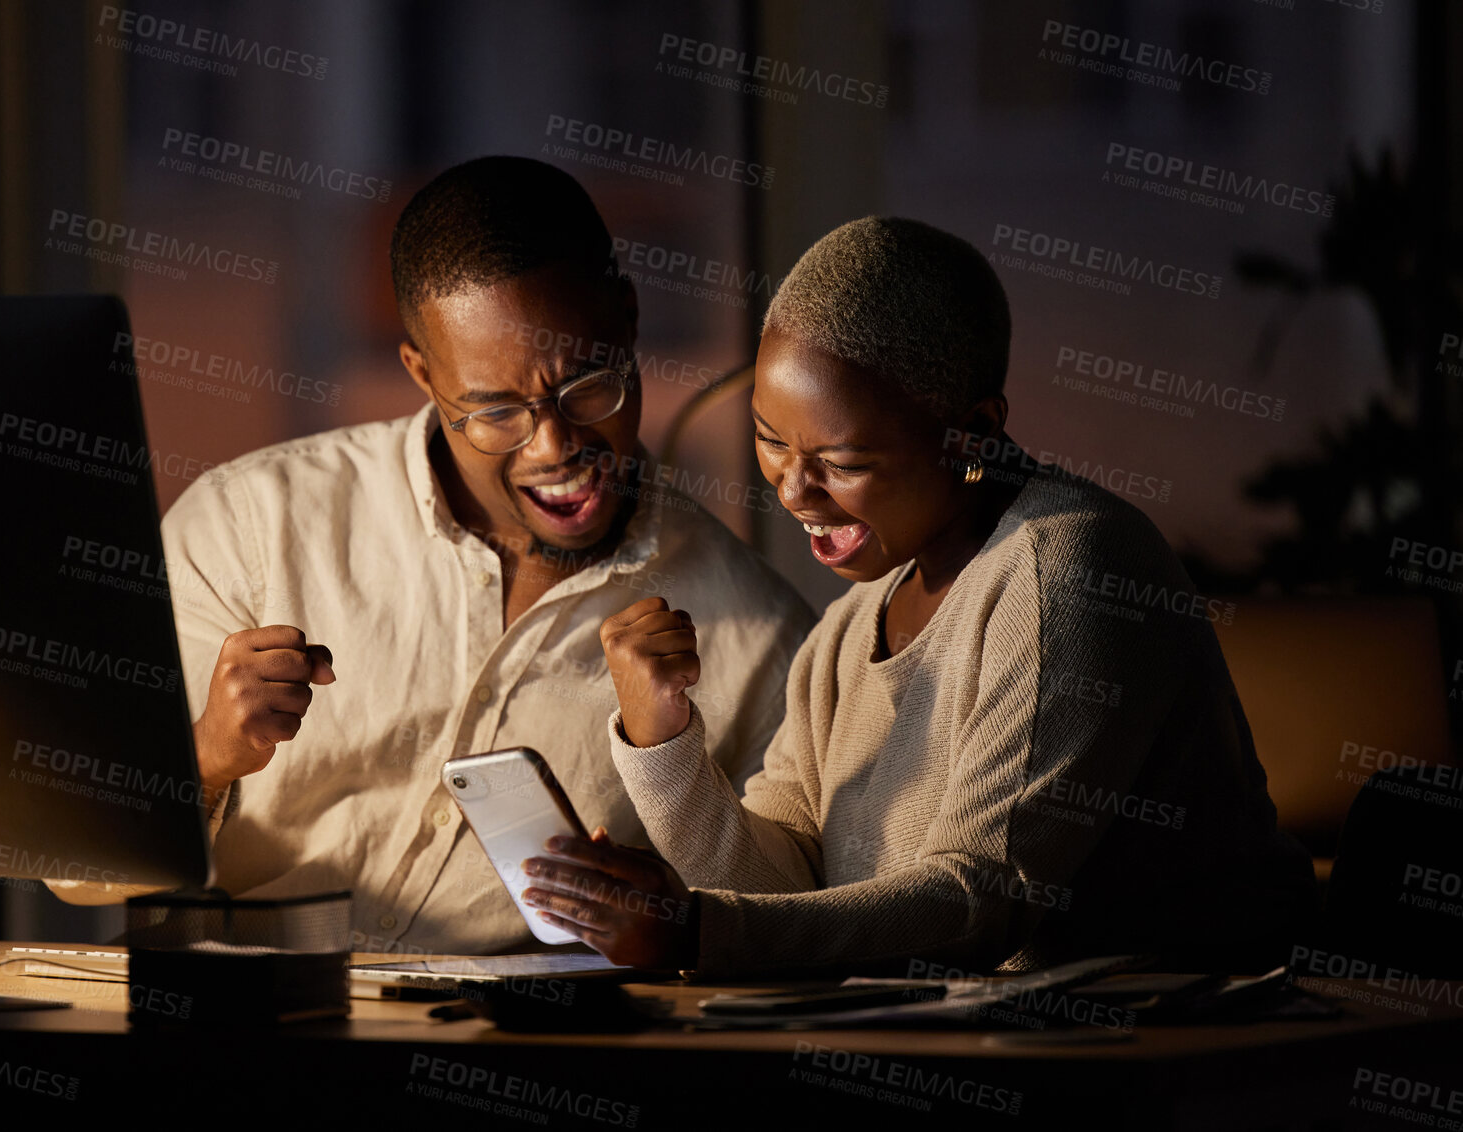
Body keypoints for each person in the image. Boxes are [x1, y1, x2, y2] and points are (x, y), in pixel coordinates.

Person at [52, 157, 813, 957]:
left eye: (588, 386)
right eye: (493, 412)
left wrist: (673, 914)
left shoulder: (762, 639)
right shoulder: (250, 525)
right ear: (421, 372)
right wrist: (205, 755)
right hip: (234, 1040)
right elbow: (73, 867)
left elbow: (789, 930)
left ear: (626, 318)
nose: (554, 448)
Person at [523, 216, 1317, 974]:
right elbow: (786, 894)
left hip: (1178, 1056)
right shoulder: (847, 632)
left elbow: (981, 903)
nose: (795, 490)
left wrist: (698, 929)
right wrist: (663, 746)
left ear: (971, 434)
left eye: (844, 460)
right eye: (770, 440)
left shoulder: (1068, 571)